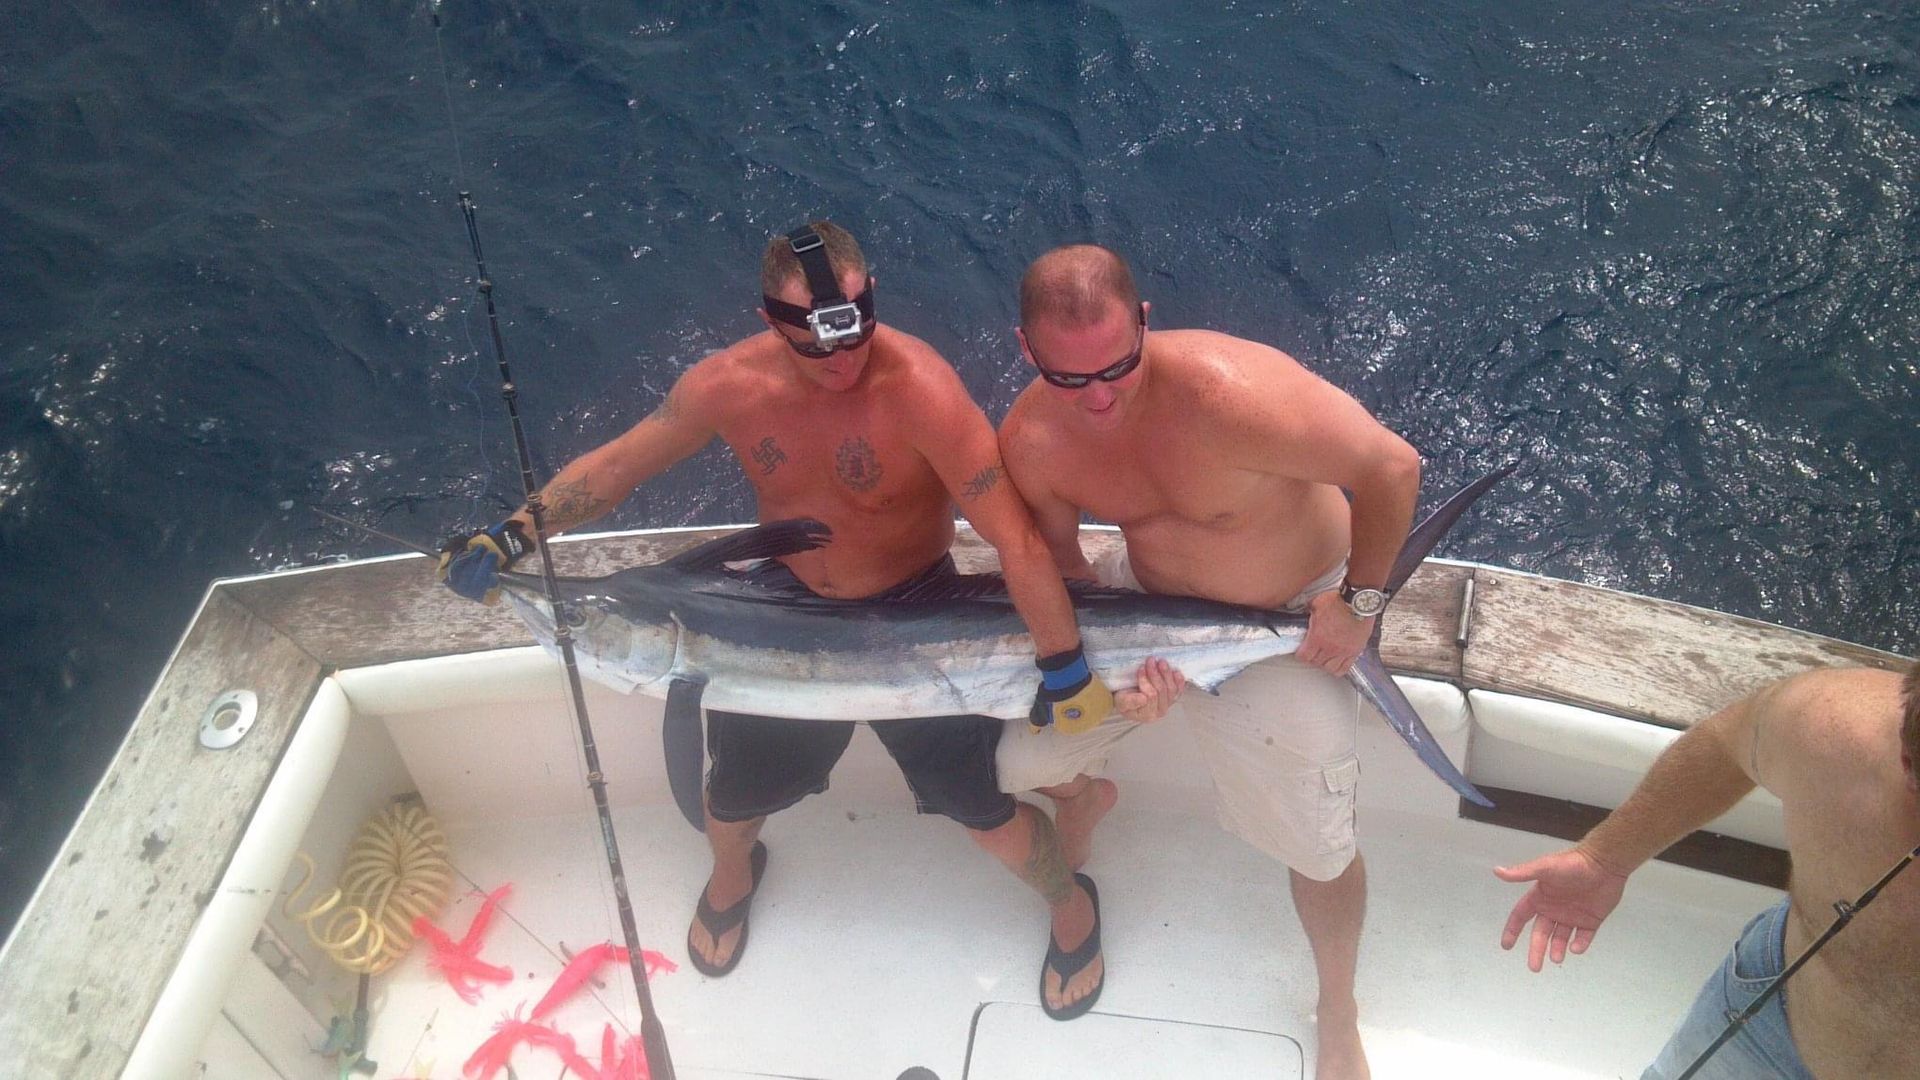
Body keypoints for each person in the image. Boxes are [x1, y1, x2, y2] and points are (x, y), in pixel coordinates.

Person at [437, 221, 1166, 1020]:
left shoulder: (919, 387)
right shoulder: (726, 387)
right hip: (779, 628)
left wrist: (1065, 668)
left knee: (986, 817)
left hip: (916, 621)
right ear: (769, 323)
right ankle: (733, 874)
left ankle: (1072, 906)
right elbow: (616, 466)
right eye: (817, 346)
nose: (843, 360)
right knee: (730, 802)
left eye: (856, 332)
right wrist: (511, 534)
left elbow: (1016, 538)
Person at [993, 243, 1422, 1080]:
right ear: (1026, 350)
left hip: (1297, 621)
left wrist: (1358, 604)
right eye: (1071, 378)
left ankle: (1338, 1011)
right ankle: (1086, 796)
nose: (1101, 396)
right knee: (1018, 760)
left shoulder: (1234, 396)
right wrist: (1118, 681)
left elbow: (1392, 467)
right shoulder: (1034, 438)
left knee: (1318, 845)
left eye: (1118, 364)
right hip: (1150, 615)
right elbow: (1068, 574)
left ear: (1145, 323)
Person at [1495, 661, 1920, 1079]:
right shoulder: (1839, 724)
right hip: (1766, 1026)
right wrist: (1604, 859)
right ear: (1906, 758)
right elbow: (1728, 742)